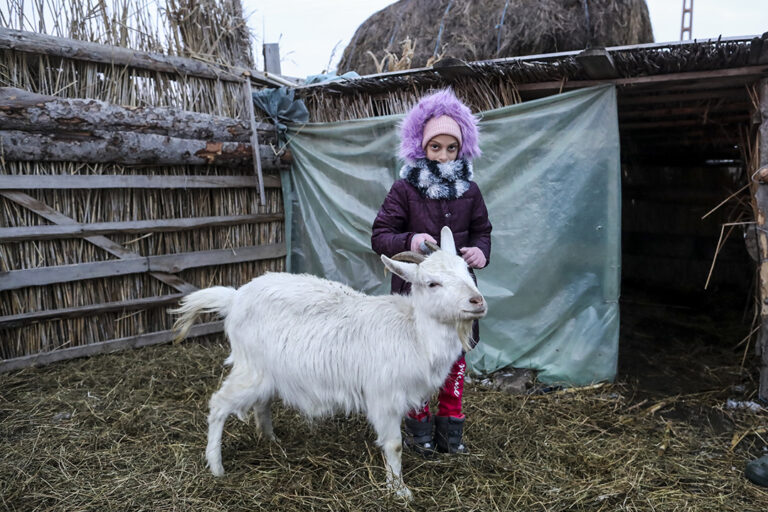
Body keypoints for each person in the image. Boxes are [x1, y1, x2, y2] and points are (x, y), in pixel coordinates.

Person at [371, 88, 492, 456]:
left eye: (450, 147)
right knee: (415, 365)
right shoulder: (404, 190)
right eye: (435, 146)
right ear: (421, 147)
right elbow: (380, 236)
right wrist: (411, 239)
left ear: (461, 148)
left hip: (458, 296)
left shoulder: (469, 191)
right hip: (419, 297)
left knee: (454, 363)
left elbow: (482, 231)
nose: (442, 154)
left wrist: (479, 252)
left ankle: (450, 436)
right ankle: (418, 431)